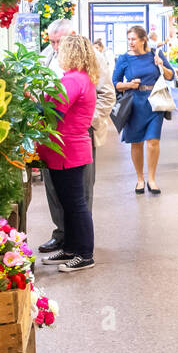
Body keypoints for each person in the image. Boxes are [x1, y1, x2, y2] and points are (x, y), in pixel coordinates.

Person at [38, 19, 114, 255]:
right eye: (51, 42)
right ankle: (64, 236)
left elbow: (107, 95)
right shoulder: (48, 56)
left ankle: (79, 243)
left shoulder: (89, 60)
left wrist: (84, 121)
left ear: (72, 37)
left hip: (75, 135)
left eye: (58, 42)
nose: (55, 47)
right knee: (55, 189)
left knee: (78, 193)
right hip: (54, 136)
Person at [38, 35, 98, 273]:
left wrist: (34, 101)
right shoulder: (78, 79)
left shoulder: (73, 81)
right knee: (69, 203)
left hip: (67, 150)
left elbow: (53, 111)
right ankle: (71, 248)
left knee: (75, 204)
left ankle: (84, 254)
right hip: (67, 149)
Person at [113, 24, 175, 194]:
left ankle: (152, 179)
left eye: (133, 39)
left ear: (143, 40)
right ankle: (140, 178)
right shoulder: (124, 58)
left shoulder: (156, 53)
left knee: (154, 141)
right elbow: (115, 83)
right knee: (136, 142)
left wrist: (161, 65)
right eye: (129, 40)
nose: (130, 42)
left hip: (155, 102)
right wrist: (129, 84)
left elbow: (171, 76)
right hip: (134, 103)